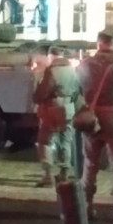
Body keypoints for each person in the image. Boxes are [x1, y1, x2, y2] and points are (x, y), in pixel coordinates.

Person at [78, 31, 113, 223]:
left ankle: (87, 206)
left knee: (90, 162)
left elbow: (79, 89)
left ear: (98, 43)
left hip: (92, 118)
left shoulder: (84, 65)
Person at [32, 45, 79, 186]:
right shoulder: (73, 70)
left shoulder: (51, 71)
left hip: (52, 108)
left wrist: (36, 93)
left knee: (45, 141)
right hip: (69, 108)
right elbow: (77, 90)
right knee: (65, 141)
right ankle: (64, 173)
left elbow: (43, 92)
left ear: (50, 55)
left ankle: (48, 175)